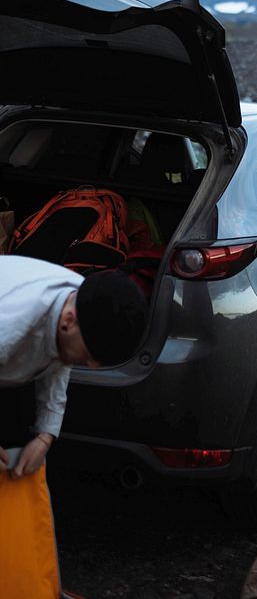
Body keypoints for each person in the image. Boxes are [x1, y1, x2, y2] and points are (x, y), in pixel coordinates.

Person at [0, 256, 149, 599]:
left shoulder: (82, 305)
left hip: (16, 359)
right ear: (69, 320)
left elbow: (57, 363)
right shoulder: (11, 321)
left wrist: (45, 435)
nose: (94, 365)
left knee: (19, 467)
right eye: (92, 354)